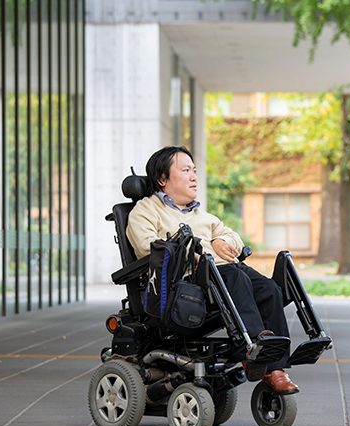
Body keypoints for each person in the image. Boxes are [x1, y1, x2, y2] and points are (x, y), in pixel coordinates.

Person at [126, 146, 298, 395]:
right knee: (236, 277)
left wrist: (221, 242)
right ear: (163, 179)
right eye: (186, 170)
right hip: (185, 282)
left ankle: (275, 369)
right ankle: (252, 347)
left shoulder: (200, 213)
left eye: (194, 170)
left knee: (270, 289)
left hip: (223, 271)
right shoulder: (146, 210)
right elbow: (147, 248)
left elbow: (231, 235)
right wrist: (192, 256)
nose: (194, 176)